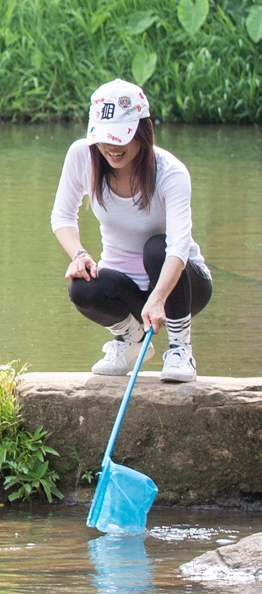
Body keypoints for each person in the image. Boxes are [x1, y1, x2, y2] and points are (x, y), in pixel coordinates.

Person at [50, 78, 212, 382]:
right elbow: (62, 216)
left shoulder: (171, 173)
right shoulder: (81, 156)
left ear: (142, 132)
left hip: (183, 285)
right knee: (81, 287)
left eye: (121, 137)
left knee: (156, 248)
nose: (112, 147)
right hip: (127, 289)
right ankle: (130, 341)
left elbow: (178, 246)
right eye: (104, 137)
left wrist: (160, 296)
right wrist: (79, 254)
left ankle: (180, 349)